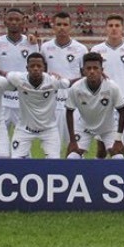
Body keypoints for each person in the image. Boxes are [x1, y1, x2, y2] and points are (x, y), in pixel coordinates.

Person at [91, 14, 124, 144]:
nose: (114, 28)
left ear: (122, 28)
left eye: (117, 25)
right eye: (110, 26)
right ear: (106, 28)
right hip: (103, 103)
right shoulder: (96, 50)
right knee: (102, 147)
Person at [40, 11, 88, 150]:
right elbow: (40, 72)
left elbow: (84, 76)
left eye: (65, 24)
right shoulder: (45, 47)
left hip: (73, 100)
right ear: (53, 26)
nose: (62, 27)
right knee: (51, 147)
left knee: (75, 145)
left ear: (71, 27)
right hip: (51, 102)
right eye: (59, 24)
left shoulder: (81, 49)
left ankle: (75, 171)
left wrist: (66, 82)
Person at [0, 8, 40, 134]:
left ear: (23, 23)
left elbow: (36, 68)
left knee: (23, 141)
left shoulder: (31, 43)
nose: (14, 22)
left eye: (17, 20)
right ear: (5, 22)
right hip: (1, 100)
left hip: (22, 99)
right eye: (10, 19)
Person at [6, 52, 68, 159]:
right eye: (32, 66)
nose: (35, 69)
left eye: (39, 66)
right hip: (24, 129)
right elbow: (2, 73)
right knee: (16, 162)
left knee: (54, 162)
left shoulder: (53, 80)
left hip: (49, 129)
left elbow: (69, 82)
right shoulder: (18, 78)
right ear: (27, 68)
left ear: (44, 67)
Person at [65, 52, 124, 159]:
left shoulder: (112, 87)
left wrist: (118, 139)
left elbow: (122, 112)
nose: (92, 71)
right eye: (88, 68)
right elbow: (69, 112)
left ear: (101, 70)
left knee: (119, 158)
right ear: (83, 70)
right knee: (72, 157)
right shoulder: (75, 88)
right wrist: (72, 140)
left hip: (108, 128)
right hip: (85, 128)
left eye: (95, 68)